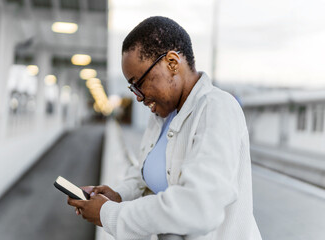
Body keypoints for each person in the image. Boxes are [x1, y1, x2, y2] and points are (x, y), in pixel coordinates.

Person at [68, 16, 262, 240]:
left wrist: (108, 213)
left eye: (139, 84)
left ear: (172, 63)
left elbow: (198, 207)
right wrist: (118, 195)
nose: (138, 98)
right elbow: (146, 177)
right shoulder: (162, 116)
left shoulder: (217, 108)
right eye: (132, 89)